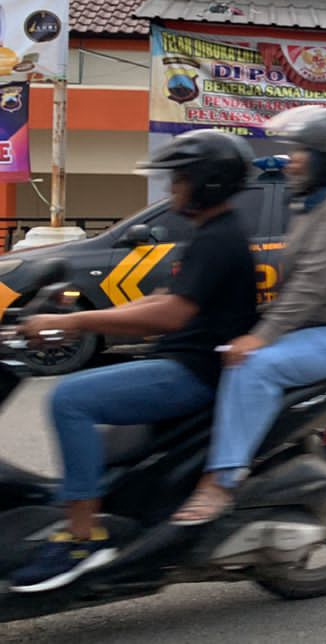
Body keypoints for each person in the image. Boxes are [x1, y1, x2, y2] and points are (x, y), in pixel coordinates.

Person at [7, 131, 258, 593]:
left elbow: (172, 314)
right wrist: (69, 318)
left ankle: (82, 538)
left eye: (180, 180)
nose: (171, 189)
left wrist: (79, 323)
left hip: (195, 372)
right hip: (181, 360)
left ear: (209, 183)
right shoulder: (210, 235)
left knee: (70, 400)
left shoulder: (220, 239)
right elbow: (164, 298)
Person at [170, 106, 326, 526]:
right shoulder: (313, 203)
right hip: (321, 326)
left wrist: (261, 336)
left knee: (253, 366)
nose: (292, 159)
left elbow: (312, 285)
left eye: (301, 152)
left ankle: (222, 480)